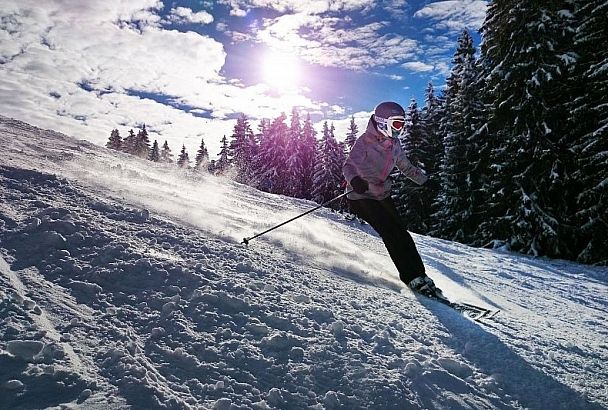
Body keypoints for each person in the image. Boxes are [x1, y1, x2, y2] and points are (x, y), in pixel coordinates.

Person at [343, 101, 439, 296]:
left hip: (381, 194)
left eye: (402, 125)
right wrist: (355, 180)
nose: (400, 129)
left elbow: (406, 167)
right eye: (396, 124)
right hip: (361, 195)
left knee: (402, 232)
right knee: (390, 232)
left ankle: (421, 275)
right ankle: (410, 277)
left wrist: (425, 181)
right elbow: (348, 166)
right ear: (382, 121)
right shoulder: (364, 142)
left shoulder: (395, 144)